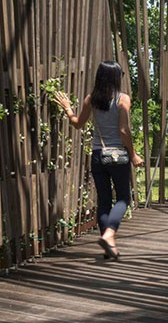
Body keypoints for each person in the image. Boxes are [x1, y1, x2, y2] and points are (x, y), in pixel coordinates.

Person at [54, 61, 143, 260]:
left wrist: (68, 108)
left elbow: (77, 124)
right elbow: (123, 130)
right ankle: (110, 234)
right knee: (123, 198)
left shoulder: (91, 99)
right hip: (118, 156)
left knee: (104, 201)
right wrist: (134, 154)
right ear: (115, 77)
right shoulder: (123, 100)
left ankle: (108, 247)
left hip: (97, 156)